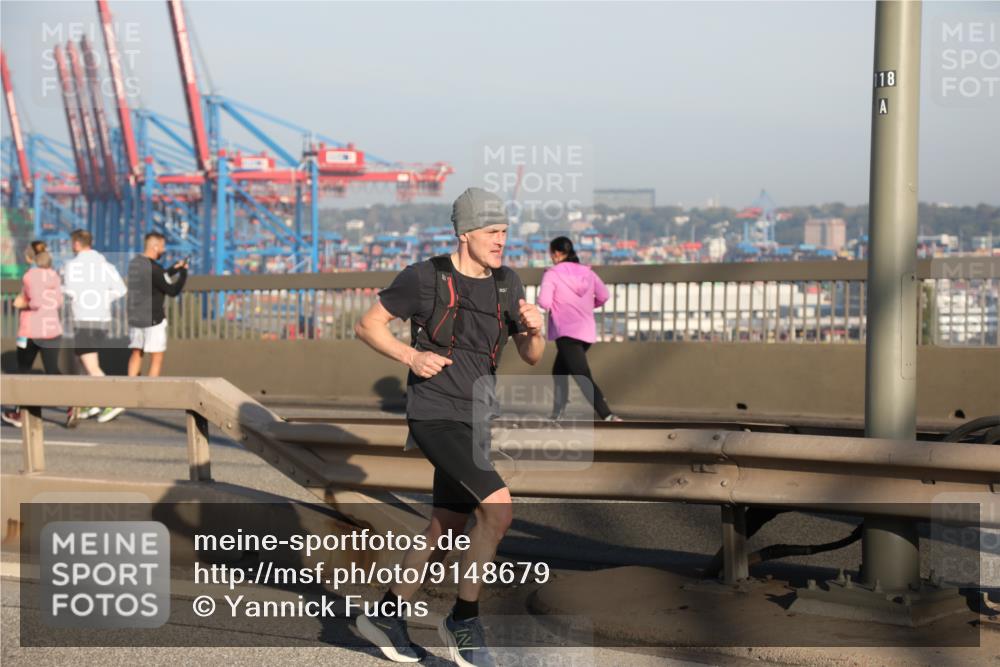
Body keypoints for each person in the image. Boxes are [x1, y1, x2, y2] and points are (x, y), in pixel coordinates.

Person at [354, 187, 544, 667]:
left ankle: (385, 614)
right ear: (465, 233)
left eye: (504, 231)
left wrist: (537, 329)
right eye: (492, 232)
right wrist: (410, 355)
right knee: (498, 511)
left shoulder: (508, 283)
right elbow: (368, 325)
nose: (501, 240)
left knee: (446, 525)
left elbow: (531, 355)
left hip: (477, 416)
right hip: (434, 414)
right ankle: (463, 618)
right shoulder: (425, 277)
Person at [537, 236, 621, 422]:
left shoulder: (552, 273)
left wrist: (550, 304)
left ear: (558, 254)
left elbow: (544, 302)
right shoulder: (587, 272)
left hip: (566, 332)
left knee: (582, 375)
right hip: (585, 332)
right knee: (559, 371)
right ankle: (557, 413)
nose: (551, 257)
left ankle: (607, 414)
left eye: (551, 253)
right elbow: (604, 295)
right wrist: (586, 306)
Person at [60, 229, 127, 427]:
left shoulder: (71, 266)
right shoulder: (105, 264)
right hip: (102, 320)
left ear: (76, 244)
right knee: (85, 362)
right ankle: (91, 404)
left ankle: (112, 402)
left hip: (83, 319)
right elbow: (121, 290)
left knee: (91, 366)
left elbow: (69, 291)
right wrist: (104, 299)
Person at [2, 246, 64, 428]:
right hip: (52, 330)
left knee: (23, 370)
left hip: (30, 331)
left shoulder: (30, 278)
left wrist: (20, 302)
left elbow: (23, 301)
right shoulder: (55, 278)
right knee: (52, 369)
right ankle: (72, 403)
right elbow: (57, 302)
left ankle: (19, 413)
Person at [124, 232, 188, 389]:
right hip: (154, 318)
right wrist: (184, 273)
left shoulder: (135, 264)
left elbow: (157, 277)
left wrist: (173, 269)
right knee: (156, 357)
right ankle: (149, 392)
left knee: (136, 352)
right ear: (155, 246)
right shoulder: (156, 268)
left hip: (136, 317)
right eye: (162, 246)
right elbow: (172, 290)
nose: (164, 250)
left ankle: (129, 390)